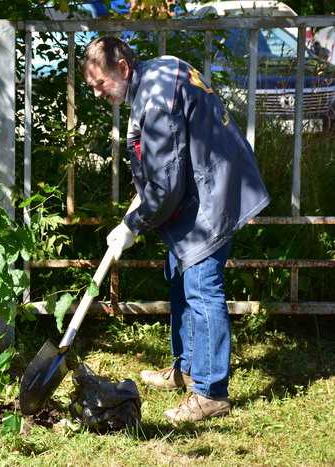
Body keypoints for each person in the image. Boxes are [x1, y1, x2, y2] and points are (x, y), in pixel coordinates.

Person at [82, 37, 270, 424]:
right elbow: (163, 163)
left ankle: (211, 391)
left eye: (100, 84)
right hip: (196, 186)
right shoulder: (156, 74)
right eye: (92, 88)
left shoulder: (156, 98)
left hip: (212, 190)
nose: (98, 93)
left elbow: (167, 182)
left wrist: (133, 224)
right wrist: (139, 204)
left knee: (202, 286)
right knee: (181, 277)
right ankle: (185, 369)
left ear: (123, 68)